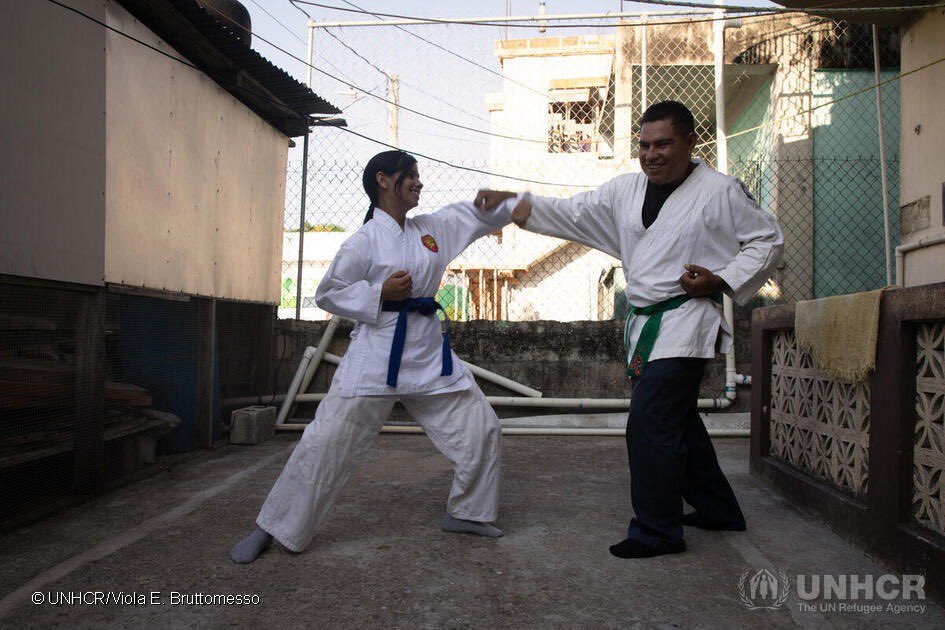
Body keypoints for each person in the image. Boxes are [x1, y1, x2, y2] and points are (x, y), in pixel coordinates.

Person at [477, 100, 783, 559]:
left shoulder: (720, 191)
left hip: (687, 319)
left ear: (689, 142)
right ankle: (718, 509)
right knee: (676, 419)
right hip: (646, 325)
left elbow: (768, 239)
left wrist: (721, 279)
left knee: (650, 422)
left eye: (663, 144)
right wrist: (517, 206)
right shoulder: (625, 191)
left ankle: (657, 530)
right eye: (643, 145)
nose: (651, 154)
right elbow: (572, 213)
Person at [231, 150, 519, 564]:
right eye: (411, 176)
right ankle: (271, 527)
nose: (419, 183)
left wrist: (509, 203)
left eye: (419, 176)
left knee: (481, 427)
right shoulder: (364, 241)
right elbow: (328, 292)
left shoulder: (431, 229)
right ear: (384, 180)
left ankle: (469, 512)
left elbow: (472, 215)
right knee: (326, 441)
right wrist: (379, 293)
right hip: (377, 352)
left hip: (426, 353)